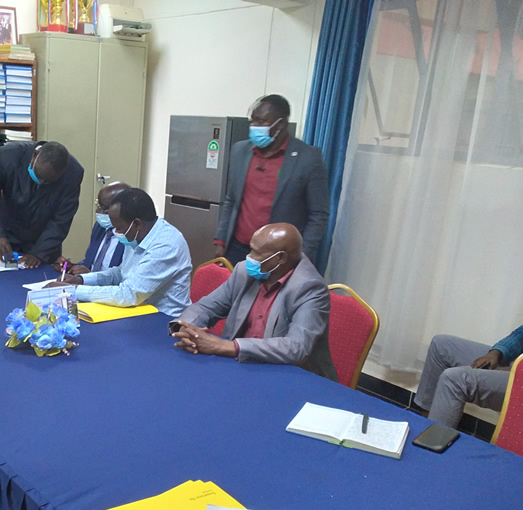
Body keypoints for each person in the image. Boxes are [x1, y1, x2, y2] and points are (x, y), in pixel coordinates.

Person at [172, 223, 337, 381]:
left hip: (290, 376)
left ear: (280, 258)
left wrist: (228, 346)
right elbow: (207, 306)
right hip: (240, 367)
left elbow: (296, 347)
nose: (249, 258)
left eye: (256, 253)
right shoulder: (244, 272)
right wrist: (186, 328)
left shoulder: (310, 287)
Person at [214, 95, 329, 267]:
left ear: (280, 124)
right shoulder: (240, 151)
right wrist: (221, 241)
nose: (254, 126)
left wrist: (300, 254)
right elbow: (231, 199)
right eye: (253, 121)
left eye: (261, 122)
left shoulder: (308, 158)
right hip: (237, 249)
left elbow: (318, 214)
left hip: (279, 256)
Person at [48, 188, 192, 317]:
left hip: (163, 320)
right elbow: (121, 273)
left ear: (136, 224)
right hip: (136, 311)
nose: (116, 232)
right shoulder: (137, 234)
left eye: (118, 228)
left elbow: (129, 294)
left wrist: (73, 290)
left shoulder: (166, 245)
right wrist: (82, 280)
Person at [413, 311, 523, 428]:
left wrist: (516, 369)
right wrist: (495, 353)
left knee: (456, 378)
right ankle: (426, 425)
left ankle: (433, 440)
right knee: (441, 345)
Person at [0, 140, 84, 269]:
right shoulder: (9, 156)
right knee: (3, 277)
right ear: (35, 155)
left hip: (44, 246)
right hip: (7, 238)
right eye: (39, 176)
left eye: (48, 182)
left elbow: (61, 220)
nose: (41, 182)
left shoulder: (73, 173)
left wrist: (38, 253)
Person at [52, 181, 129, 276]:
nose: (98, 211)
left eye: (103, 208)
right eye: (98, 205)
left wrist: (92, 276)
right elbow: (91, 262)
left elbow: (124, 277)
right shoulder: (100, 227)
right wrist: (70, 266)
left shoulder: (131, 236)